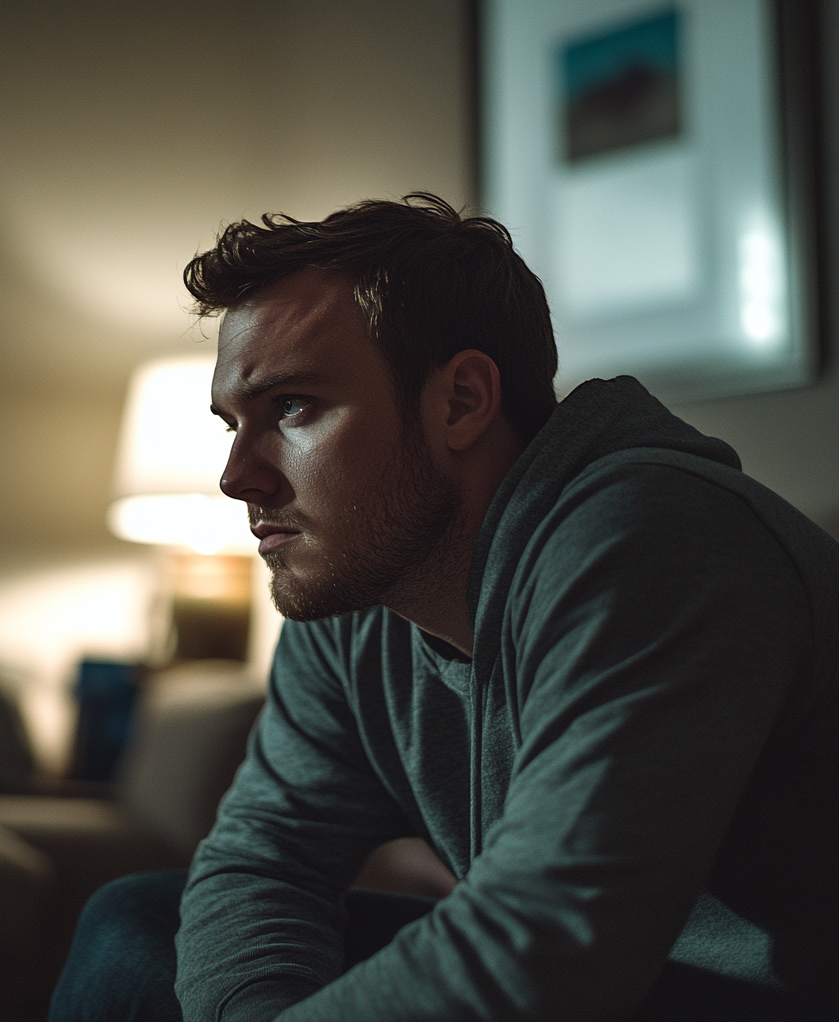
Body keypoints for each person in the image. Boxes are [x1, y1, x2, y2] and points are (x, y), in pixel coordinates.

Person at [51, 194, 838, 1021]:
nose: (236, 476)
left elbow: (550, 938)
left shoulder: (651, 535)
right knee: (138, 923)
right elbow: (267, 860)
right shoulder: (359, 589)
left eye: (292, 407)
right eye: (232, 424)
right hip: (595, 980)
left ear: (461, 400)